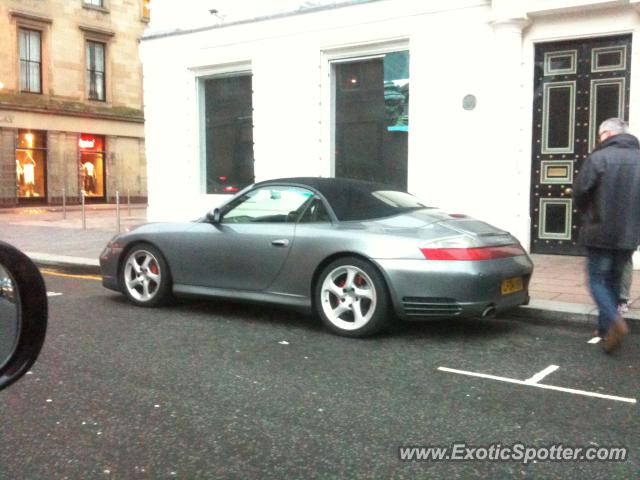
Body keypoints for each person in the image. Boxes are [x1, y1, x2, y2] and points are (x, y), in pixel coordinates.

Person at [574, 118, 640, 352]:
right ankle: (604, 330)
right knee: (613, 281)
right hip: (629, 234)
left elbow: (581, 192)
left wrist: (589, 214)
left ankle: (613, 321)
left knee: (597, 280)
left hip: (600, 231)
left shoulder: (599, 158)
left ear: (607, 134)